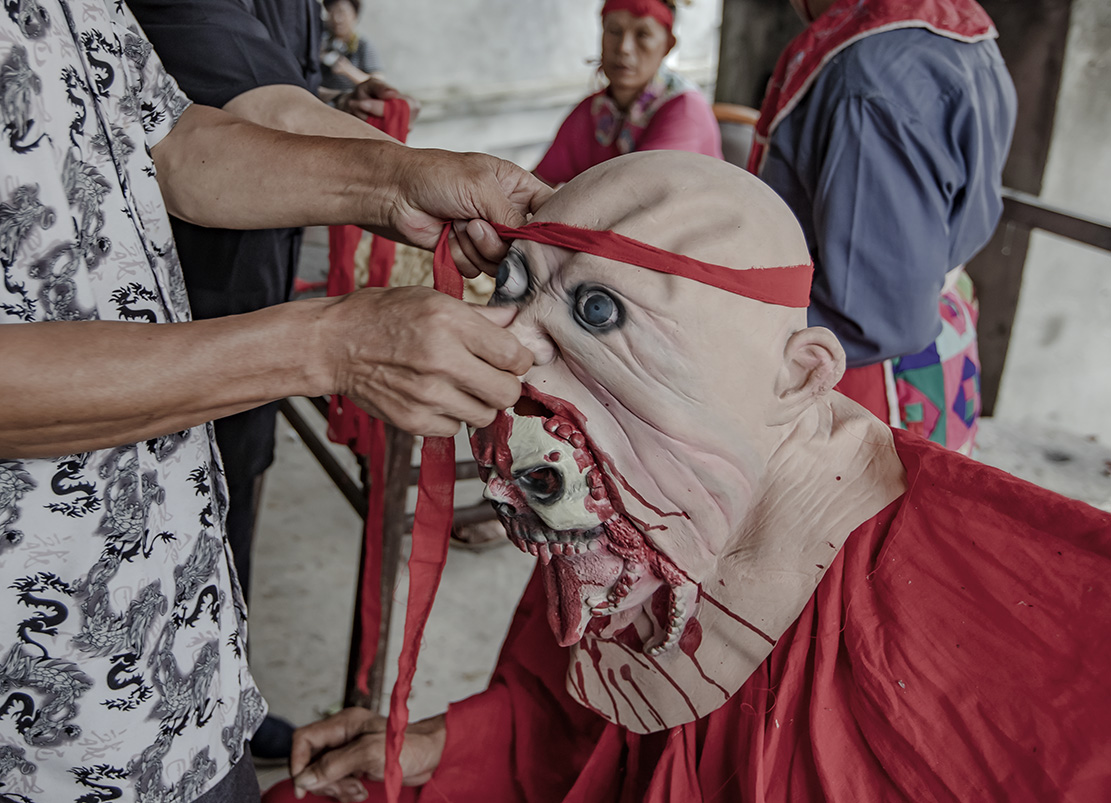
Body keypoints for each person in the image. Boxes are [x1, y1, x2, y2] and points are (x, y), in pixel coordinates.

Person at [263, 152, 1111, 803]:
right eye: (511, 291)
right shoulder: (634, 504)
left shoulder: (964, 602)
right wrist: (434, 744)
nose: (510, 352)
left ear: (800, 376)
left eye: (596, 312)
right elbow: (579, 729)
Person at [0, 1, 549, 800]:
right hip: (43, 709)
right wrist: (324, 344)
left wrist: (397, 178)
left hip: (178, 648)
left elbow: (174, 141)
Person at [124, 0, 417, 760]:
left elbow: (249, 111)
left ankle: (226, 697)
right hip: (168, 314)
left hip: (253, 279)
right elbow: (219, 139)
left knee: (231, 506)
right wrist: (408, 182)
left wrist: (349, 125)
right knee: (157, 528)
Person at [748, 0, 1017, 454]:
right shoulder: (959, 25)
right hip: (940, 328)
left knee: (855, 518)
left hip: (863, 374)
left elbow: (871, 314)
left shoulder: (864, 74)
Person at [533, 0, 722, 187]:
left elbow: (637, 193)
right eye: (614, 31)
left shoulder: (685, 110)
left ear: (667, 45)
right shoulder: (592, 111)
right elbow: (538, 182)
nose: (624, 48)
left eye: (642, 34)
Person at [320, 0, 384, 92]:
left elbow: (379, 83)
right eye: (331, 12)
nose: (337, 19)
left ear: (355, 15)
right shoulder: (322, 41)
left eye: (342, 12)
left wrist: (347, 70)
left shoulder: (363, 46)